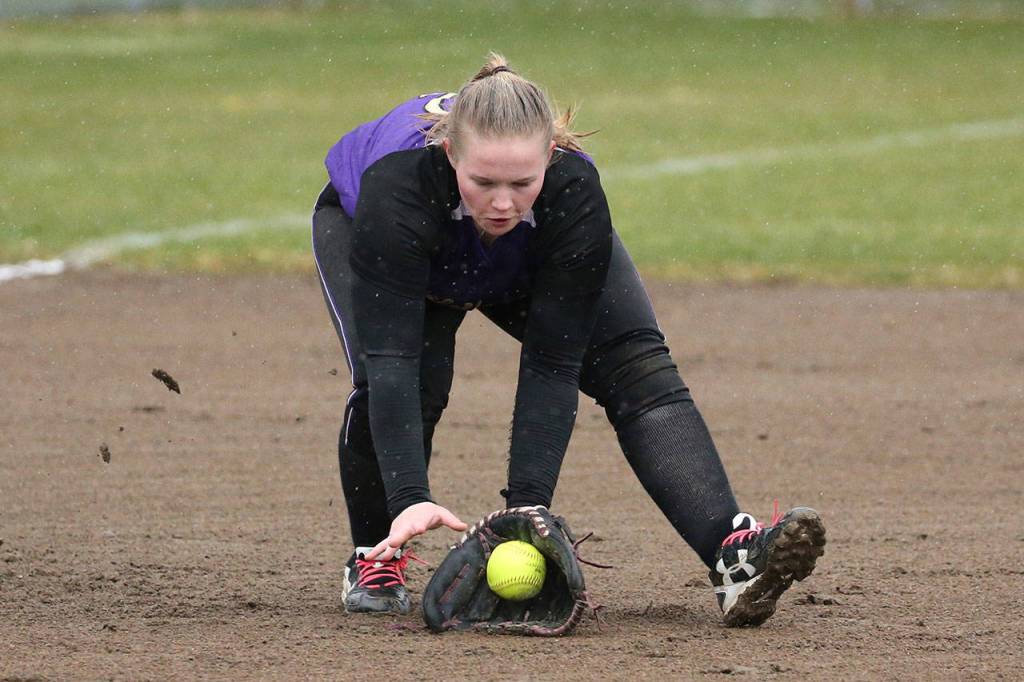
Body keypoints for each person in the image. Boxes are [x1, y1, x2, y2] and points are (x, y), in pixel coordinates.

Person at [311, 54, 825, 627]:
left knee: (637, 370)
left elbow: (552, 363)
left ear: (550, 158)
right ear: (451, 154)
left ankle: (734, 559)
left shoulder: (571, 193)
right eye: (483, 182)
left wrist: (526, 507)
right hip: (410, 244)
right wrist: (410, 497)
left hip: (526, 256)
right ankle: (376, 555)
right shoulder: (399, 189)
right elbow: (393, 361)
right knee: (414, 380)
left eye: (521, 182)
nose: (502, 202)